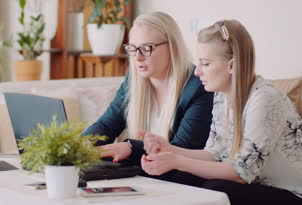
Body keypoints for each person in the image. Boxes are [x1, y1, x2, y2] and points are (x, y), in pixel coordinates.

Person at [140, 19, 302, 205]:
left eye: (206, 64)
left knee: (217, 189)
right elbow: (214, 153)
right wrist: (169, 149)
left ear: (231, 65)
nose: (197, 71)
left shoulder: (264, 100)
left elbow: (240, 174)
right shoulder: (222, 95)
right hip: (266, 190)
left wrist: (177, 160)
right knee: (184, 178)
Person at [82, 11, 214, 165]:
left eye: (147, 48)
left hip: (180, 180)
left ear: (173, 48)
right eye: (133, 48)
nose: (137, 57)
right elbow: (106, 126)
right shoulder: (134, 80)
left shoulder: (198, 87)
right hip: (143, 174)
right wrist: (77, 146)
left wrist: (130, 147)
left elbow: (183, 150)